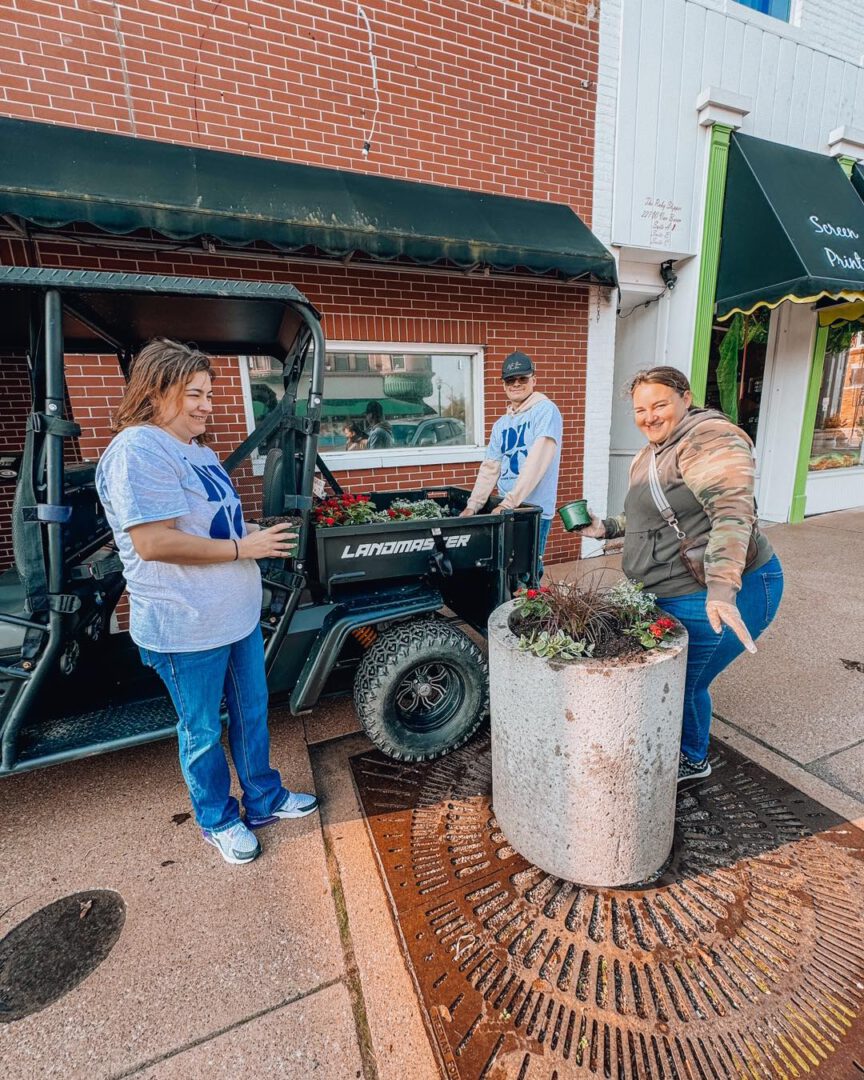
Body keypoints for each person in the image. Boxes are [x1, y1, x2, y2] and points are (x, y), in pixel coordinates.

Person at [95, 338, 319, 866]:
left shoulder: (195, 450)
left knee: (251, 713)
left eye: (210, 395)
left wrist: (256, 533)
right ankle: (217, 819)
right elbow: (154, 542)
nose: (206, 406)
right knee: (201, 732)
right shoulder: (138, 450)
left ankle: (264, 799)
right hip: (185, 626)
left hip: (233, 617)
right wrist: (245, 548)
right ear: (156, 389)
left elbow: (211, 524)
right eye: (194, 394)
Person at [581, 366, 784, 783]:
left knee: (686, 683)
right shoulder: (654, 450)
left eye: (659, 405)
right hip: (669, 590)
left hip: (709, 593)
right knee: (670, 683)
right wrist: (608, 528)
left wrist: (722, 589)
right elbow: (652, 513)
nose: (649, 417)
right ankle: (672, 743)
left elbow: (732, 513)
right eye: (640, 409)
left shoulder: (709, 439)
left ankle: (692, 758)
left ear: (685, 398)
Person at [459, 351, 562, 578]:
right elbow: (490, 466)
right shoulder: (501, 424)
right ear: (504, 385)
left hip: (532, 511)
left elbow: (538, 460)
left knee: (527, 574)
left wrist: (509, 503)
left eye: (522, 379)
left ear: (533, 380)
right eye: (510, 380)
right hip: (507, 507)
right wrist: (473, 505)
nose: (516, 384)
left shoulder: (546, 411)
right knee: (506, 573)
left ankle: (532, 614)